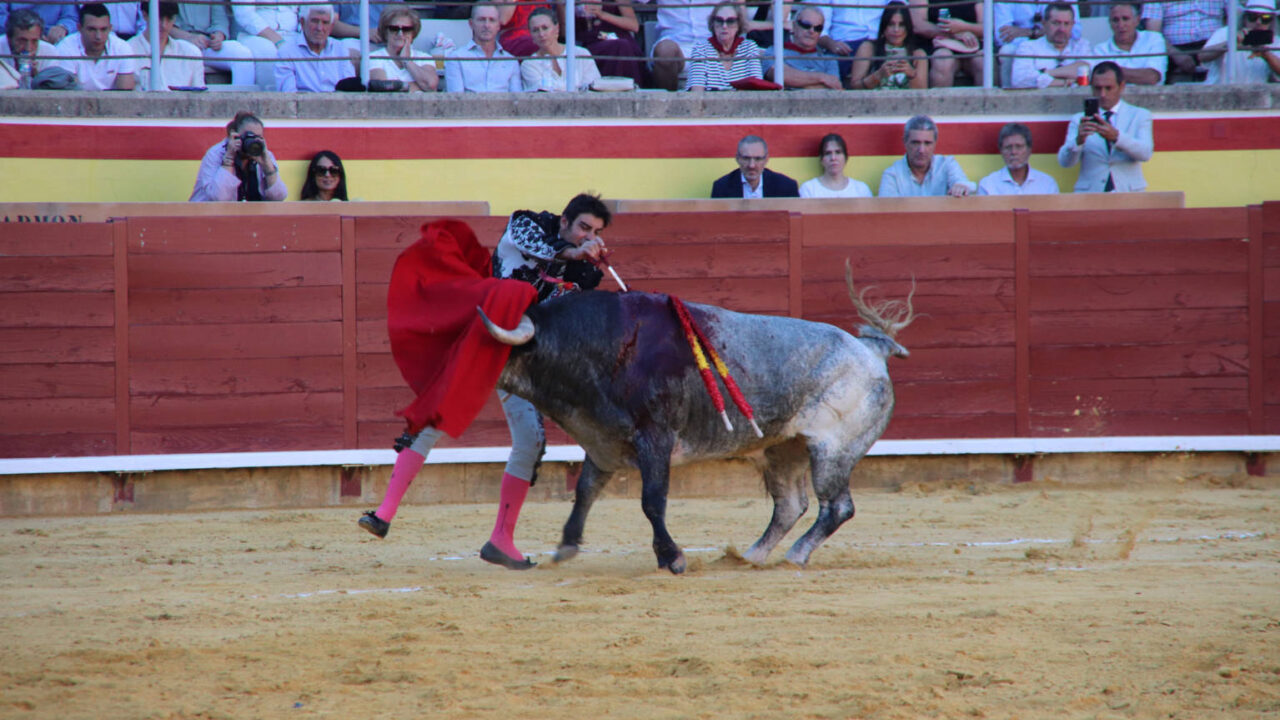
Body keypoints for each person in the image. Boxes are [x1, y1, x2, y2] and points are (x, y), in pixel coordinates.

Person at [358, 193, 614, 572]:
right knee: (437, 414)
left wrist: (587, 269)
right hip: (481, 332)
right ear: (564, 221)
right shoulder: (526, 223)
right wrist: (572, 255)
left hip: (519, 353)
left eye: (595, 232)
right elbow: (539, 248)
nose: (586, 236)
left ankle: (501, 540)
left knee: (531, 441)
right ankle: (383, 512)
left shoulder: (587, 271)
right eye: (583, 227)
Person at [1057, 61, 1153, 193]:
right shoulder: (1078, 119)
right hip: (1090, 194)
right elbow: (1065, 162)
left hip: (1129, 192)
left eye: (1108, 88)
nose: (1102, 94)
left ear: (1122, 86)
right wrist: (1078, 142)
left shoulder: (1140, 115)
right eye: (1097, 88)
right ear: (1091, 87)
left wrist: (1117, 138)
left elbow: (1145, 153)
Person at [189, 111, 287, 202]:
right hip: (207, 215)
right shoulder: (216, 154)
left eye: (258, 138)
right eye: (248, 137)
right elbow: (219, 198)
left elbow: (279, 197)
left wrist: (268, 167)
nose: (252, 142)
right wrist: (229, 159)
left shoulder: (264, 155)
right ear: (233, 134)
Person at [878, 114, 975, 197]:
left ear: (935, 144)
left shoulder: (946, 165)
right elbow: (888, 212)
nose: (921, 150)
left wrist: (961, 187)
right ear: (905, 142)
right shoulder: (892, 175)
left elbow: (966, 185)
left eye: (927, 143)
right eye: (915, 143)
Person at [49, 3, 135, 90]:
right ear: (79, 28)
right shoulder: (65, 48)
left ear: (110, 28)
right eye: (92, 29)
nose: (98, 36)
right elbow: (69, 93)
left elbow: (125, 92)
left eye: (103, 29)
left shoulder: (122, 48)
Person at [993, 0, 1079, 87]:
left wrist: (1028, 32)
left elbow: (1075, 32)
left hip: (1055, 44)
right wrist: (1040, 37)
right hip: (1023, 47)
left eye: (1065, 23)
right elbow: (1002, 37)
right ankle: (1009, 93)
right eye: (1056, 23)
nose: (1062, 27)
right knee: (1008, 51)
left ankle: (1047, 75)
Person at [171, 1, 256, 87]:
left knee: (242, 55)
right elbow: (164, 24)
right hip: (177, 44)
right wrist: (189, 37)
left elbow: (220, 20)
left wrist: (219, 35)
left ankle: (240, 99)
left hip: (207, 44)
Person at [1010, 2, 1091, 88]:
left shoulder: (1081, 46)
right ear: (1044, 23)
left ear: (1073, 25)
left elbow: (1088, 71)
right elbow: (1019, 80)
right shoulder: (1028, 47)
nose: (1062, 29)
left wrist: (1046, 73)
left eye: (1066, 24)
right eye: (1056, 23)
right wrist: (1066, 82)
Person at [685, 2, 763, 91]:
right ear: (713, 24)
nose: (724, 26)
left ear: (738, 24)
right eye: (719, 20)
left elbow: (757, 88)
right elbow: (697, 92)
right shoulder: (701, 49)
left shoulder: (750, 48)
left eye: (730, 21)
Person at [275, 4, 353, 92]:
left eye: (325, 22)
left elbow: (349, 92)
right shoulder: (287, 52)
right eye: (315, 21)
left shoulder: (340, 49)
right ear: (302, 23)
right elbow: (289, 95)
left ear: (331, 27)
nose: (319, 28)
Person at [849, 1, 928, 89]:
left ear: (908, 27)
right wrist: (877, 76)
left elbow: (923, 94)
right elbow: (854, 87)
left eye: (901, 25)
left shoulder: (918, 55)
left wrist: (911, 75)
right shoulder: (868, 48)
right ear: (884, 26)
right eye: (891, 24)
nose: (896, 30)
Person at [1141, 0, 1227, 80]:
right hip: (1174, 49)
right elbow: (1153, 34)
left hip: (1215, 46)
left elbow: (1237, 18)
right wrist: (1175, 54)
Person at [445, 3, 521, 92]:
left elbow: (517, 100)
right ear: (471, 23)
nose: (487, 25)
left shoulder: (511, 61)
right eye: (481, 20)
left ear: (498, 26)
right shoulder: (456, 58)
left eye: (492, 20)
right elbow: (456, 100)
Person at [1200, 0, 1280, 84]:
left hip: (1254, 94)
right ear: (1245, 18)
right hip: (1221, 92)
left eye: (1265, 18)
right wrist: (1230, 43)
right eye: (1253, 17)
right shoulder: (1226, 33)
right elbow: (1202, 56)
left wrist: (1266, 54)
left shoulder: (1276, 42)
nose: (1258, 22)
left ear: (1271, 21)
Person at [129, 2, 205, 91]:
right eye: (159, 18)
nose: (164, 25)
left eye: (169, 19)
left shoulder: (191, 53)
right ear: (145, 15)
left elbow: (199, 95)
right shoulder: (127, 50)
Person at [763, 5, 842, 89]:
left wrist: (795, 81)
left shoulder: (829, 60)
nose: (811, 31)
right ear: (794, 26)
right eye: (806, 25)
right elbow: (780, 75)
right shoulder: (774, 51)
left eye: (818, 28)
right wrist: (823, 78)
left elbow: (835, 86)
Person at [521, 6, 600, 91]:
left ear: (557, 29)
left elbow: (594, 87)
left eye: (545, 28)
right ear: (531, 35)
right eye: (535, 30)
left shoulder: (581, 53)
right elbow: (543, 94)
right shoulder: (529, 65)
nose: (541, 34)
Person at [1090, 1, 1168, 85]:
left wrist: (1113, 72)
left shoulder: (1153, 39)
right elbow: (1101, 80)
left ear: (1137, 20)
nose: (1121, 25)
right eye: (1115, 20)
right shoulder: (1101, 50)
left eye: (1125, 19)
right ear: (1110, 23)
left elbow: (1152, 77)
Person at [910, 0, 983, 87]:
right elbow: (918, 26)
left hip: (971, 45)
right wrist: (954, 34)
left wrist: (964, 27)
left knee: (983, 61)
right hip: (935, 44)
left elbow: (986, 27)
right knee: (943, 60)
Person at [231, 0, 301, 89]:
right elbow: (244, 14)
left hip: (294, 33)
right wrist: (277, 39)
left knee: (305, 49)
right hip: (255, 34)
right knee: (268, 52)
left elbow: (311, 10)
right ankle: (270, 99)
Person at [574, 0, 645, 86]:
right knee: (620, 47)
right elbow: (564, 32)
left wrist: (602, 14)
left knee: (623, 46)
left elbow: (634, 25)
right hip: (591, 41)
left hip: (619, 38)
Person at [367, 4, 437, 91]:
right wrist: (417, 86)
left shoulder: (425, 58)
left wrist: (407, 61)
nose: (400, 34)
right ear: (385, 32)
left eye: (406, 29)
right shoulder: (374, 58)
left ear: (413, 33)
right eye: (394, 29)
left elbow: (430, 86)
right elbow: (384, 89)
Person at [648, 0, 715, 90]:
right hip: (676, 42)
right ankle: (669, 102)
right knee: (665, 51)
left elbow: (739, 7)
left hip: (715, 42)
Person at [977, 122, 1060, 195]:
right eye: (1008, 147)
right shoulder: (988, 184)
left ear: (1029, 150)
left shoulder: (1047, 183)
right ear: (1001, 151)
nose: (1013, 152)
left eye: (1019, 147)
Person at [814, 0, 887, 81]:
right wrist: (832, 44)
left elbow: (899, 10)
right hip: (844, 45)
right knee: (830, 69)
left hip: (880, 41)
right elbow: (819, 31)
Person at [711, 135, 800, 198]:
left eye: (758, 159)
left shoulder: (786, 186)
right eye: (746, 158)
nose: (751, 165)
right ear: (737, 158)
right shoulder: (722, 187)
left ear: (766, 159)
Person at [799, 133, 874, 198]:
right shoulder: (809, 189)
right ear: (821, 159)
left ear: (846, 157)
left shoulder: (861, 189)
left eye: (838, 152)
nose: (833, 158)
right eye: (828, 153)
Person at [0, 9, 56, 89]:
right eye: (22, 40)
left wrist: (38, 77)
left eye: (34, 41)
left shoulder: (50, 52)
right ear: (9, 38)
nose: (28, 48)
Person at [0, 2, 76, 45]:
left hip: (52, 41)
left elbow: (72, 17)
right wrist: (32, 32)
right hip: (17, 36)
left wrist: (63, 27)